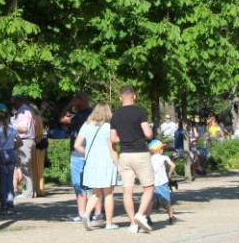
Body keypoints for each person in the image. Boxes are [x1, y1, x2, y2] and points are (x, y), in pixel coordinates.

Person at [110, 86, 154, 233]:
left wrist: (125, 137)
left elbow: (113, 138)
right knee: (148, 187)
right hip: (140, 152)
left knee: (127, 191)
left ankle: (132, 224)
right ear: (134, 96)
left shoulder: (115, 115)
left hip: (125, 155)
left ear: (120, 98)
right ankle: (140, 215)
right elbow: (148, 134)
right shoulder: (140, 112)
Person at [74, 102, 118, 231]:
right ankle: (109, 223)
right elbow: (112, 147)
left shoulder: (86, 125)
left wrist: (87, 153)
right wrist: (118, 163)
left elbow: (77, 145)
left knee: (96, 192)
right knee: (108, 193)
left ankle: (86, 215)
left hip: (91, 163)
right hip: (106, 161)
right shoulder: (109, 126)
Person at [60, 92, 93, 223]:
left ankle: (92, 212)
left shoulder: (92, 114)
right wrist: (69, 106)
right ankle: (81, 213)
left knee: (90, 185)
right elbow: (62, 119)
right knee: (77, 184)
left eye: (78, 98)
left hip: (88, 151)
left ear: (85, 100)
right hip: (75, 152)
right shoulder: (76, 115)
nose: (75, 100)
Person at [0, 109, 20, 215]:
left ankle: (3, 206)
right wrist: (13, 147)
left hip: (1, 155)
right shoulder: (12, 129)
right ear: (8, 118)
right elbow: (20, 142)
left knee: (2, 182)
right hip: (11, 154)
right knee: (10, 182)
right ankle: (10, 205)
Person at [11, 96, 36, 197]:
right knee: (24, 167)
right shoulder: (24, 111)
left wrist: (10, 126)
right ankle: (28, 190)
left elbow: (24, 129)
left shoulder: (24, 112)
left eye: (14, 103)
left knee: (26, 167)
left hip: (25, 141)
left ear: (19, 101)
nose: (13, 105)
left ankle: (28, 192)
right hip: (23, 141)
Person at [149, 139, 177, 225]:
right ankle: (171, 217)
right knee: (167, 201)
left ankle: (147, 217)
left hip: (153, 183)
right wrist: (169, 173)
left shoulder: (150, 159)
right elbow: (173, 165)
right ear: (160, 149)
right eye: (162, 148)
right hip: (163, 182)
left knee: (150, 201)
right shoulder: (164, 157)